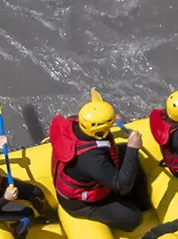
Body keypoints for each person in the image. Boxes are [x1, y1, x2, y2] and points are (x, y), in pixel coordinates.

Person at [50, 94, 151, 231]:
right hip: (82, 204)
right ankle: (132, 206)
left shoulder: (74, 122)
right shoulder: (93, 159)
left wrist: (112, 122)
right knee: (134, 218)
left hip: (88, 176)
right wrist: (133, 149)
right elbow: (122, 185)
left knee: (124, 153)